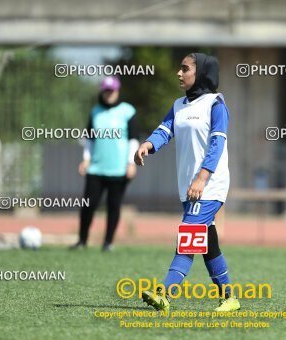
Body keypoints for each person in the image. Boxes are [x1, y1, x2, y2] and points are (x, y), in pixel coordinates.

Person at [134, 53, 240, 312]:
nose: (179, 74)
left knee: (189, 235)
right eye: (180, 69)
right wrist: (148, 144)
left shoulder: (215, 104)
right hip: (189, 187)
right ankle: (229, 298)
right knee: (208, 244)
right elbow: (165, 129)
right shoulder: (179, 104)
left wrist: (202, 178)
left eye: (185, 69)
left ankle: (165, 294)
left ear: (201, 73)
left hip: (209, 185)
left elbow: (217, 144)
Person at [71, 76, 139, 251]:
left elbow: (133, 139)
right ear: (102, 91)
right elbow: (90, 139)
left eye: (112, 90)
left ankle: (108, 243)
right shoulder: (95, 111)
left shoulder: (128, 111)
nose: (109, 93)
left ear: (117, 90)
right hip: (96, 168)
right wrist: (86, 159)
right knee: (89, 205)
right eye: (106, 90)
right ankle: (82, 241)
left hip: (119, 169)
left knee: (113, 206)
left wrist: (131, 163)